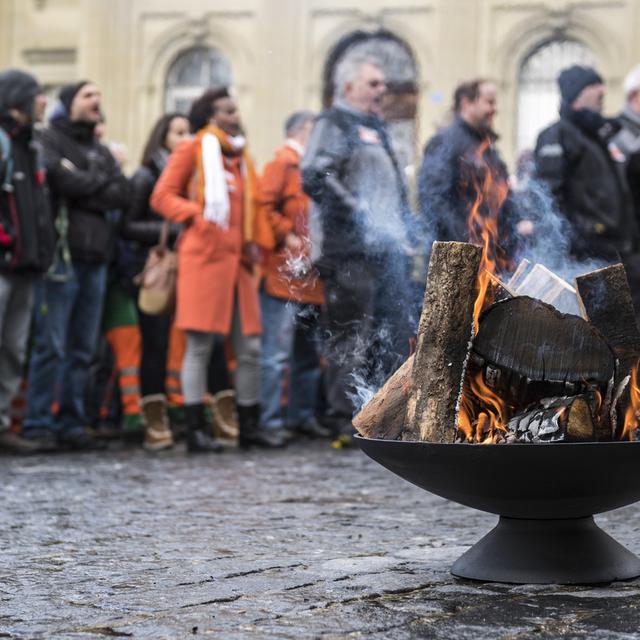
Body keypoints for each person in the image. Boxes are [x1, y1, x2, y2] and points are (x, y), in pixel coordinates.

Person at [151, 87, 287, 451]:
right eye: (228, 110)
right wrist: (196, 215)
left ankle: (249, 427)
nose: (235, 115)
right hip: (204, 261)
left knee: (251, 348)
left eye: (235, 110)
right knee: (198, 346)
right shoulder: (192, 149)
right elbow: (161, 196)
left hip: (240, 264)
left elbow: (254, 210)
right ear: (211, 116)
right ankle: (195, 431)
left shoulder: (241, 158)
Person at [301, 55, 413, 440]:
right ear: (348, 88)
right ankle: (340, 418)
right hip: (348, 251)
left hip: (384, 250)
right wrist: (357, 210)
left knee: (389, 334)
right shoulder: (334, 122)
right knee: (351, 336)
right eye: (373, 84)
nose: (382, 90)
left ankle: (377, 416)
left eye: (383, 83)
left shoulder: (375, 127)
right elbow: (315, 175)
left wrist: (402, 231)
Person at [23, 81, 130, 450]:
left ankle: (72, 423)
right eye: (88, 96)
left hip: (96, 259)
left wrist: (84, 182)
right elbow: (60, 179)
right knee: (51, 345)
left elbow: (122, 191)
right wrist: (93, 182)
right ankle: (37, 423)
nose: (96, 101)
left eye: (99, 96)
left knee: (84, 348)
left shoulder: (98, 147)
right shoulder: (49, 138)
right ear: (69, 103)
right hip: (61, 259)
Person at [121, 113, 191, 451]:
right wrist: (173, 232)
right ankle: (154, 422)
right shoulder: (146, 174)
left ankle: (173, 414)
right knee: (154, 345)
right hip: (156, 270)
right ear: (162, 136)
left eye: (188, 131)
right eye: (178, 132)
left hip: (186, 270)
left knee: (177, 347)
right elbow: (128, 225)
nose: (185, 137)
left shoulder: (192, 178)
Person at [258, 110, 330, 439]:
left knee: (307, 353)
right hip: (283, 276)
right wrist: (286, 233)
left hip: (311, 278)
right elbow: (262, 206)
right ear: (304, 131)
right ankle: (270, 421)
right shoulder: (282, 164)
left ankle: (301, 416)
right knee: (276, 353)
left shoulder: (313, 168)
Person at [0, 69, 55, 454]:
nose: (43, 103)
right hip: (4, 263)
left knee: (14, 349)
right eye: (37, 95)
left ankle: (2, 424)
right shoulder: (3, 142)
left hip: (24, 266)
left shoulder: (32, 146)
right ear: (18, 100)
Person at [534, 65, 637, 262]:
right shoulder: (557, 135)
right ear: (577, 94)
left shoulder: (597, 137)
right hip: (585, 255)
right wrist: (578, 239)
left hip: (613, 249)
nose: (602, 90)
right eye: (594, 84)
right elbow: (549, 196)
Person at [417, 79, 517, 259]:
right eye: (489, 102)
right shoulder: (445, 142)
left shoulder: (487, 146)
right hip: (457, 261)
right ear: (466, 103)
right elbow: (434, 199)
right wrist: (467, 243)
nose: (494, 109)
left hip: (490, 256)